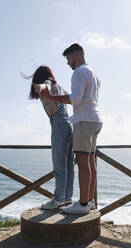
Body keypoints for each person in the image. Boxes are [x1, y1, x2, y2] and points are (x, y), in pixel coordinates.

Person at [37, 43, 102, 214]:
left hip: (83, 121)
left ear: (75, 56)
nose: (67, 63)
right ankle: (90, 201)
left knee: (82, 162)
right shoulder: (93, 73)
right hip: (95, 120)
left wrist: (52, 97)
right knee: (90, 161)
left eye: (68, 58)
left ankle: (81, 205)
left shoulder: (79, 72)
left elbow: (76, 99)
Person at [27, 65, 74, 209]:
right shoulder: (57, 86)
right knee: (68, 166)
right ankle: (67, 198)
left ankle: (58, 199)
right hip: (69, 125)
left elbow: (44, 85)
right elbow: (71, 98)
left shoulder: (47, 84)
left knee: (59, 166)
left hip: (59, 127)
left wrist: (40, 87)